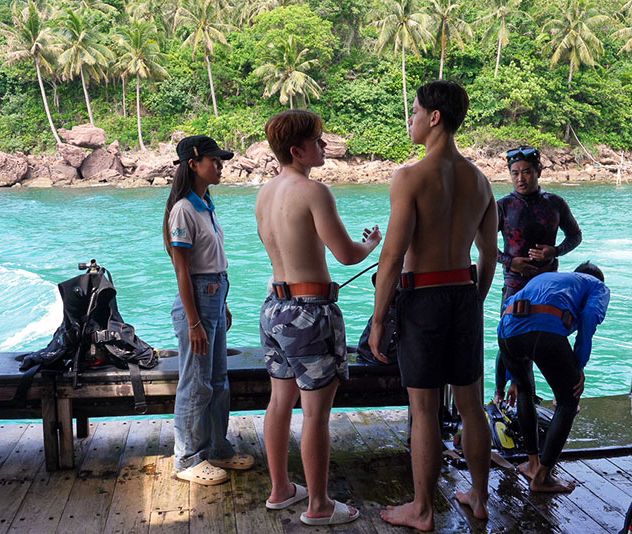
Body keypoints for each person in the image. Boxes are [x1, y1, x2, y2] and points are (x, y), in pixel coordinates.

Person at [369, 81, 498, 531]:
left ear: (434, 117)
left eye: (415, 112)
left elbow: (392, 255)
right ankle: (479, 499)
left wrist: (380, 316)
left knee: (423, 409)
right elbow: (489, 255)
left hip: (421, 295)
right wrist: (474, 301)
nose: (412, 120)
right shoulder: (480, 181)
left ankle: (423, 510)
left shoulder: (411, 177)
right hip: (463, 292)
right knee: (471, 406)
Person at [256, 110, 381, 526]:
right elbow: (345, 255)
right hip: (310, 314)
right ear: (297, 150)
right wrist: (371, 244)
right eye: (318, 141)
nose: (325, 147)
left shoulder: (264, 193)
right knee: (314, 413)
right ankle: (320, 506)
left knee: (279, 402)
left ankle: (281, 490)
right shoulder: (313, 191)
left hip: (274, 308)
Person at [163, 135, 254, 486]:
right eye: (213, 160)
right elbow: (183, 271)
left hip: (214, 296)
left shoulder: (205, 203)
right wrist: (194, 322)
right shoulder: (183, 209)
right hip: (197, 303)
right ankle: (187, 458)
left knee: (218, 381)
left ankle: (216, 447)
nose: (220, 166)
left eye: (220, 160)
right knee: (195, 383)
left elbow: (212, 261)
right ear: (193, 165)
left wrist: (224, 303)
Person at [498, 262, 610, 492]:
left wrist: (512, 376)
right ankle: (542, 478)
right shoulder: (597, 286)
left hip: (507, 334)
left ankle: (532, 464)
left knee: (525, 391)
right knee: (569, 401)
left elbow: (514, 313)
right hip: (544, 332)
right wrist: (578, 366)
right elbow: (589, 316)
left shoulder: (548, 278)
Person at [493, 146, 582, 402]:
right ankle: (500, 394)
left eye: (527, 172)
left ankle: (529, 392)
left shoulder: (555, 203)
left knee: (543, 338)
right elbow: (485, 245)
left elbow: (575, 235)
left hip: (547, 288)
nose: (521, 178)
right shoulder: (504, 206)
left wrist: (554, 251)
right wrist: (511, 263)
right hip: (514, 285)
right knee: (506, 339)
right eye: (515, 173)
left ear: (539, 172)